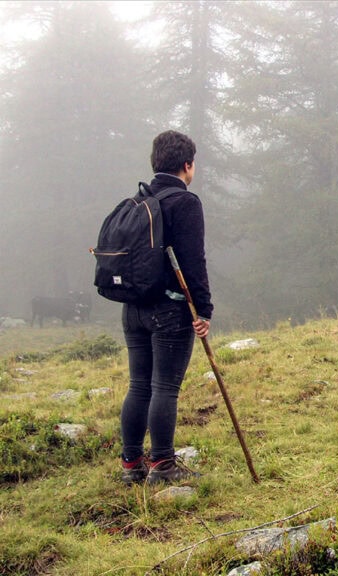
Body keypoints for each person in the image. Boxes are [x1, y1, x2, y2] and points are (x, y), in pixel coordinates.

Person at [120, 130, 213, 485]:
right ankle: (162, 465)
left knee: (139, 385)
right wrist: (203, 310)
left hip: (132, 309)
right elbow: (194, 261)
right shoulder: (184, 203)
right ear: (187, 165)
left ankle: (131, 465)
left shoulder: (137, 201)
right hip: (170, 311)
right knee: (164, 389)